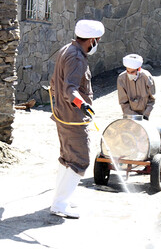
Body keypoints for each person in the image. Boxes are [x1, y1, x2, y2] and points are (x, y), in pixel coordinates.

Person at [49, 19, 105, 219]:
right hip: (73, 118)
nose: (97, 44)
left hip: (63, 115)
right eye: (97, 40)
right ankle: (60, 204)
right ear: (91, 40)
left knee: (67, 159)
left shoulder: (67, 49)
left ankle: (61, 198)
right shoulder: (77, 58)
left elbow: (55, 81)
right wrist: (84, 105)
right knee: (80, 159)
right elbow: (70, 89)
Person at [117, 54, 156, 119]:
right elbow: (123, 102)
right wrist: (135, 116)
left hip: (146, 115)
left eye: (132, 72)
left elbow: (152, 99)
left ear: (139, 69)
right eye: (128, 71)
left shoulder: (146, 77)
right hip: (130, 116)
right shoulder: (122, 79)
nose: (129, 74)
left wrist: (146, 115)